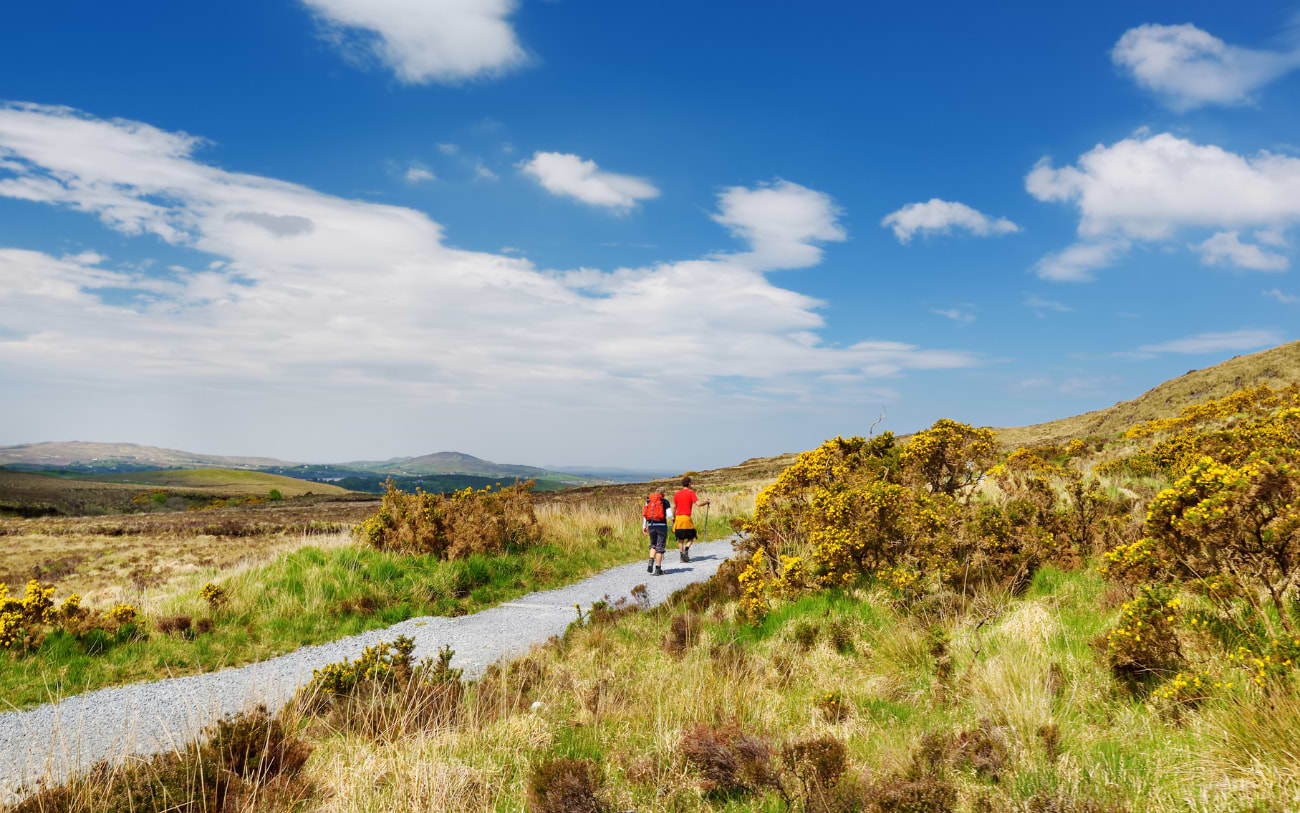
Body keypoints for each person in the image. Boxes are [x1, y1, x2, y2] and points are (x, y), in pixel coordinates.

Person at [673, 476, 710, 563]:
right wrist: (706, 502)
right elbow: (699, 504)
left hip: (678, 518)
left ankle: (682, 555)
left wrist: (673, 517)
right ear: (689, 484)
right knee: (692, 536)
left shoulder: (677, 493)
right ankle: (686, 549)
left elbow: (674, 507)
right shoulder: (691, 493)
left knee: (680, 539)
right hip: (686, 518)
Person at [642, 489, 673, 576]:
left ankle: (651, 560)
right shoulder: (665, 501)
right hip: (661, 526)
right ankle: (658, 569)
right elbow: (669, 515)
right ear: (663, 494)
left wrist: (644, 527)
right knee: (660, 546)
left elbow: (645, 515)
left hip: (651, 525)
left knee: (653, 544)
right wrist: (671, 517)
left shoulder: (648, 501)